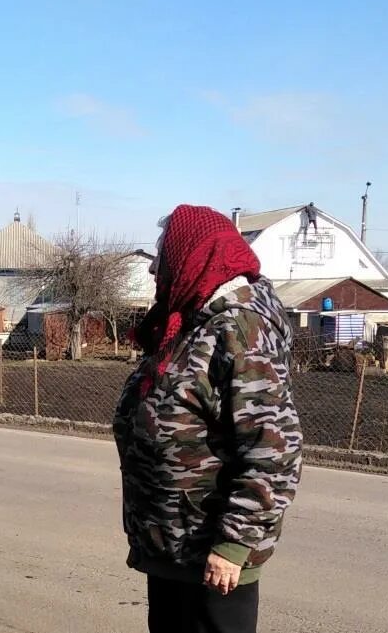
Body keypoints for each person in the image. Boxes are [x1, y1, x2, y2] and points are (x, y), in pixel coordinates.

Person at [113, 204, 303, 633]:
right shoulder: (191, 322)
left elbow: (274, 448)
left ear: (191, 256)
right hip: (174, 544)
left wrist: (235, 544)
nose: (154, 269)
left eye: (162, 256)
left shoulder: (240, 328)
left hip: (211, 551)